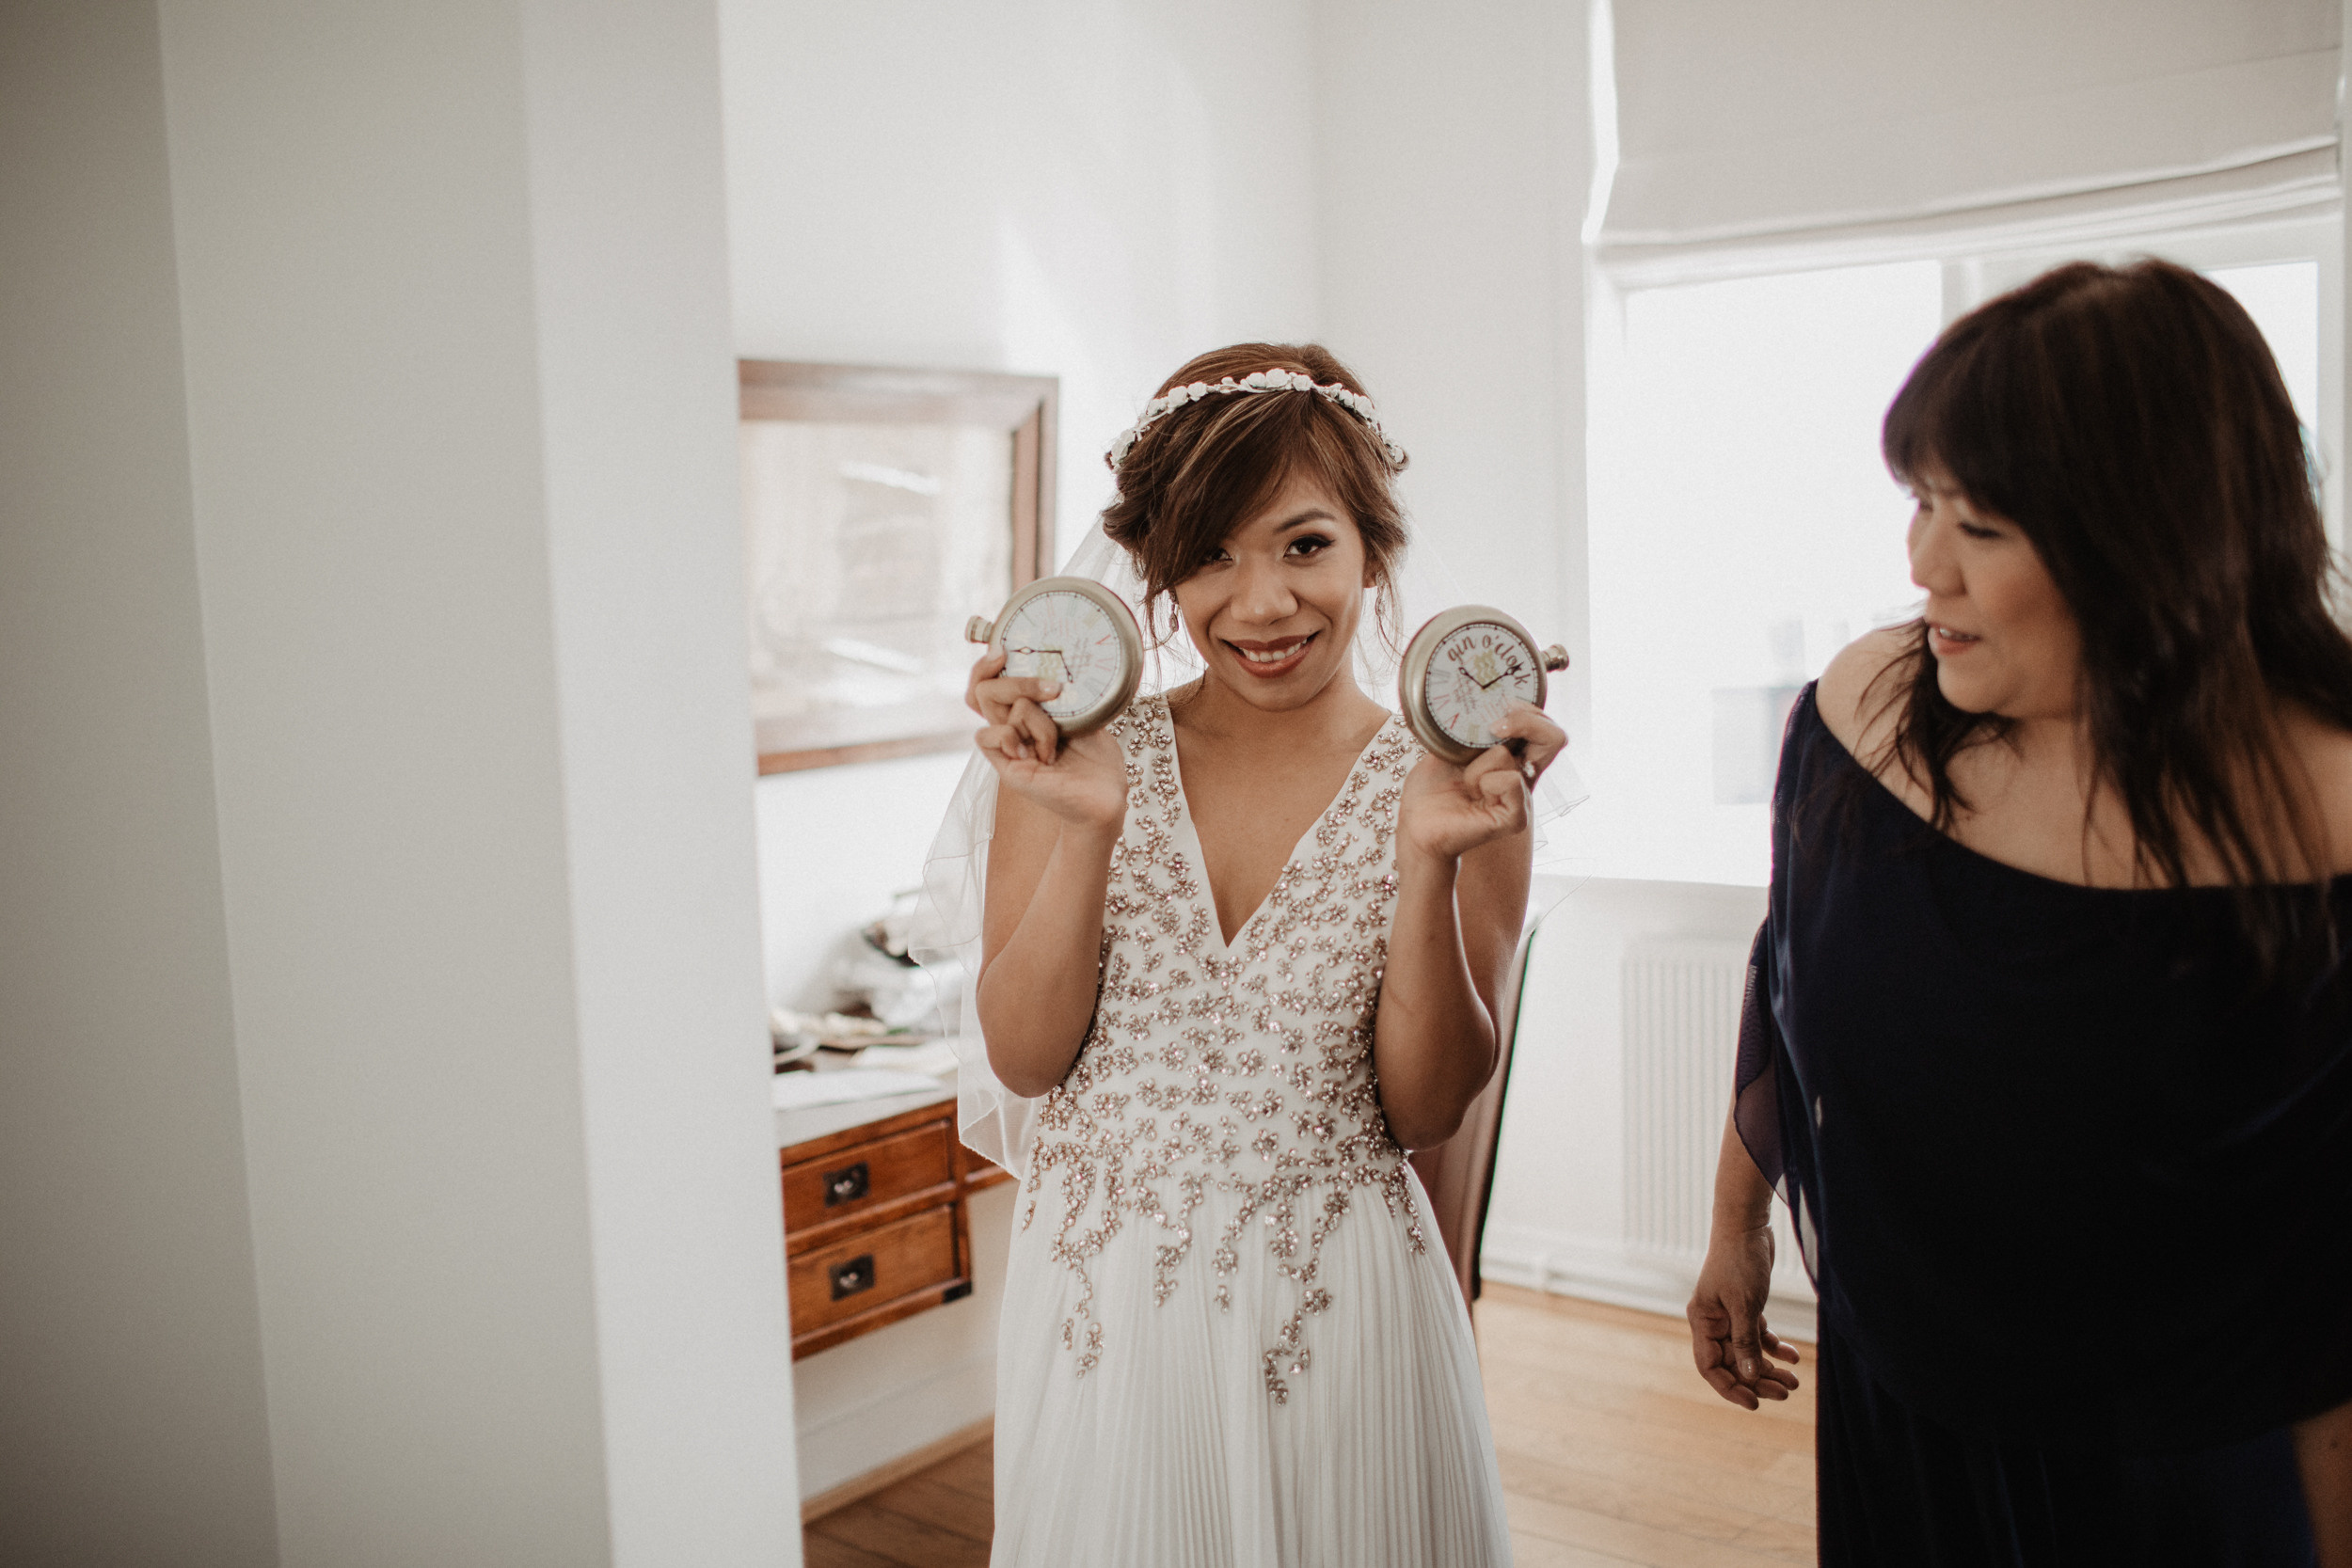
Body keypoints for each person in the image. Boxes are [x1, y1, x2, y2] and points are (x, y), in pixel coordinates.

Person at [1687, 259, 2352, 1564]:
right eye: (1924, 502)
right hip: (1905, 1415)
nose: (1922, 565)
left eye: (1980, 528)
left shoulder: (2329, 816)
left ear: (2158, 541)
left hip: (2185, 1481)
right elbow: (1792, 977)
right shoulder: (1866, 709)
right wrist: (1736, 1222)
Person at [940, 343, 1562, 1566]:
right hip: (1102, 1320)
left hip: (1336, 1312)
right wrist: (1086, 831)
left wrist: (1428, 860)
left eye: (1304, 544)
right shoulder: (1074, 757)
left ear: (1374, 547)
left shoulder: (1459, 781)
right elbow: (1023, 1059)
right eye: (1209, 554)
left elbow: (1426, 1106)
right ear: (1158, 571)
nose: (1261, 602)